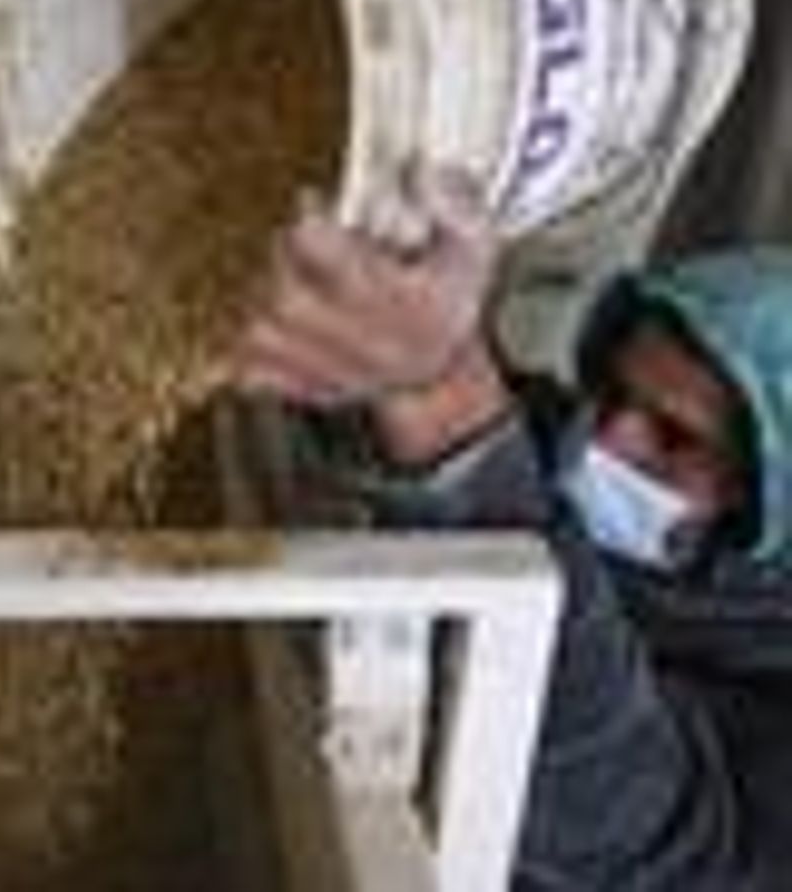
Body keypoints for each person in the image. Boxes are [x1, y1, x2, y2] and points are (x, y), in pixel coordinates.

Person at [231, 165, 792, 890]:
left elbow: (649, 841)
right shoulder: (559, 435)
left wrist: (442, 396)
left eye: (675, 439)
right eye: (613, 393)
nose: (605, 441)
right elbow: (379, 398)